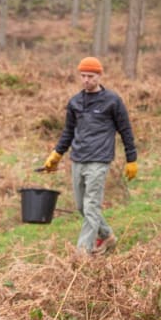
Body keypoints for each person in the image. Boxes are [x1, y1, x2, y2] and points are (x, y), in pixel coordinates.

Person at [42, 56, 138, 255]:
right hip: (78, 158)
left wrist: (131, 159)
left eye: (90, 76)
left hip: (99, 160)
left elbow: (125, 130)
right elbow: (68, 131)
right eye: (83, 76)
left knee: (91, 205)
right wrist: (57, 154)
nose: (86, 80)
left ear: (99, 76)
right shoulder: (75, 102)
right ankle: (108, 236)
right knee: (81, 206)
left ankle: (83, 252)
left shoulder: (112, 101)